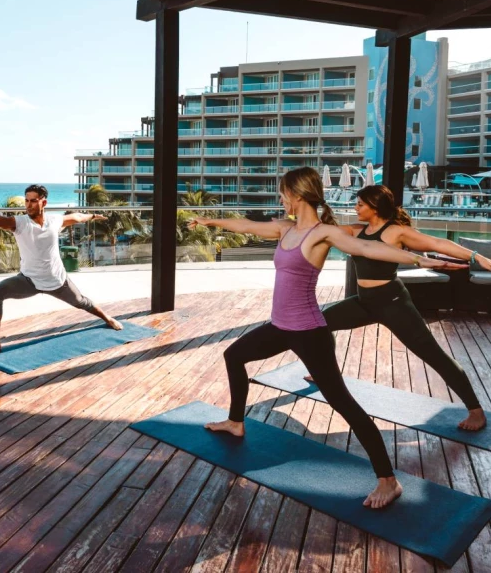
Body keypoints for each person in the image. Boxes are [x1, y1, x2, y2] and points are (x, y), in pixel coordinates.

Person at [189, 167, 464, 509]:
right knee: (234, 356)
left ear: (298, 196)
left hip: (309, 332)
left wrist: (421, 259)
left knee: (343, 403)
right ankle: (235, 422)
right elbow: (245, 226)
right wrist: (207, 221)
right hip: (280, 327)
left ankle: (388, 481)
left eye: (283, 193)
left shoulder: (324, 234)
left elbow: (370, 250)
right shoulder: (284, 228)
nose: (281, 199)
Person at [313, 184, 488, 431]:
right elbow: (321, 230)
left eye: (360, 204)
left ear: (374, 207)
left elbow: (437, 243)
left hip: (393, 303)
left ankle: (475, 411)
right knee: (320, 322)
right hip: (365, 302)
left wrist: (476, 257)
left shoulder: (395, 232)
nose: (356, 207)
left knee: (433, 355)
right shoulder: (357, 230)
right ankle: (326, 371)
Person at [0, 184, 122, 358]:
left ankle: (107, 318)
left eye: (33, 201)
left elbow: (77, 217)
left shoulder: (55, 220)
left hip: (57, 280)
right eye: (26, 200)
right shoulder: (19, 223)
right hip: (29, 281)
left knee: (82, 302)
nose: (28, 205)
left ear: (44, 202)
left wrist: (93, 216)